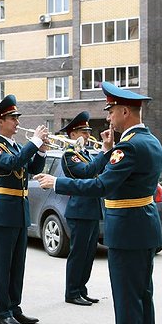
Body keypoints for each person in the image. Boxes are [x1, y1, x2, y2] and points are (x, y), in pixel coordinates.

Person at [35, 82, 162, 324]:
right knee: (142, 295)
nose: (108, 119)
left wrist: (57, 183)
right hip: (142, 227)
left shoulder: (129, 146)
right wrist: (108, 150)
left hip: (127, 230)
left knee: (128, 298)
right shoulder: (150, 141)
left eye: (112, 112)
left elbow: (100, 185)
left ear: (125, 111)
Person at [0, 94, 47, 324]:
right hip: (4, 208)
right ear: (0, 121)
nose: (17, 122)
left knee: (18, 263)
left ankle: (15, 307)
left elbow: (32, 169)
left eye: (17, 117)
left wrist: (41, 150)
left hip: (20, 209)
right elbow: (11, 164)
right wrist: (34, 143)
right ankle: (3, 311)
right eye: (13, 118)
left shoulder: (17, 146)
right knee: (4, 264)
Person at [59, 112, 108, 306]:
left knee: (89, 254)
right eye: (82, 132)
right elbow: (87, 172)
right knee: (78, 253)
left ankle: (81, 289)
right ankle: (71, 292)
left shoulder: (85, 154)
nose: (87, 135)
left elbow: (100, 171)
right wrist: (104, 151)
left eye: (87, 131)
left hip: (92, 209)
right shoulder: (70, 155)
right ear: (72, 134)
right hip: (79, 210)